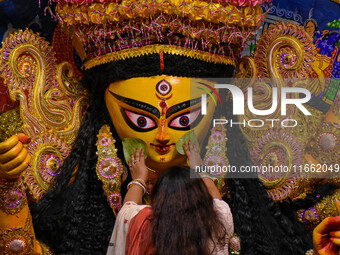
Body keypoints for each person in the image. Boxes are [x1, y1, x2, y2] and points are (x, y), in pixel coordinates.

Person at [0, 1, 339, 255]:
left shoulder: (129, 221)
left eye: (183, 119)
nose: (162, 137)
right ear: (102, 111)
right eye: (141, 120)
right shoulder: (221, 218)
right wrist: (9, 187)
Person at [108, 144, 233, 255]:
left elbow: (127, 210)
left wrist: (139, 179)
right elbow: (216, 199)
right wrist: (199, 168)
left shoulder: (143, 224)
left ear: (157, 198)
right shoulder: (217, 222)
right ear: (201, 195)